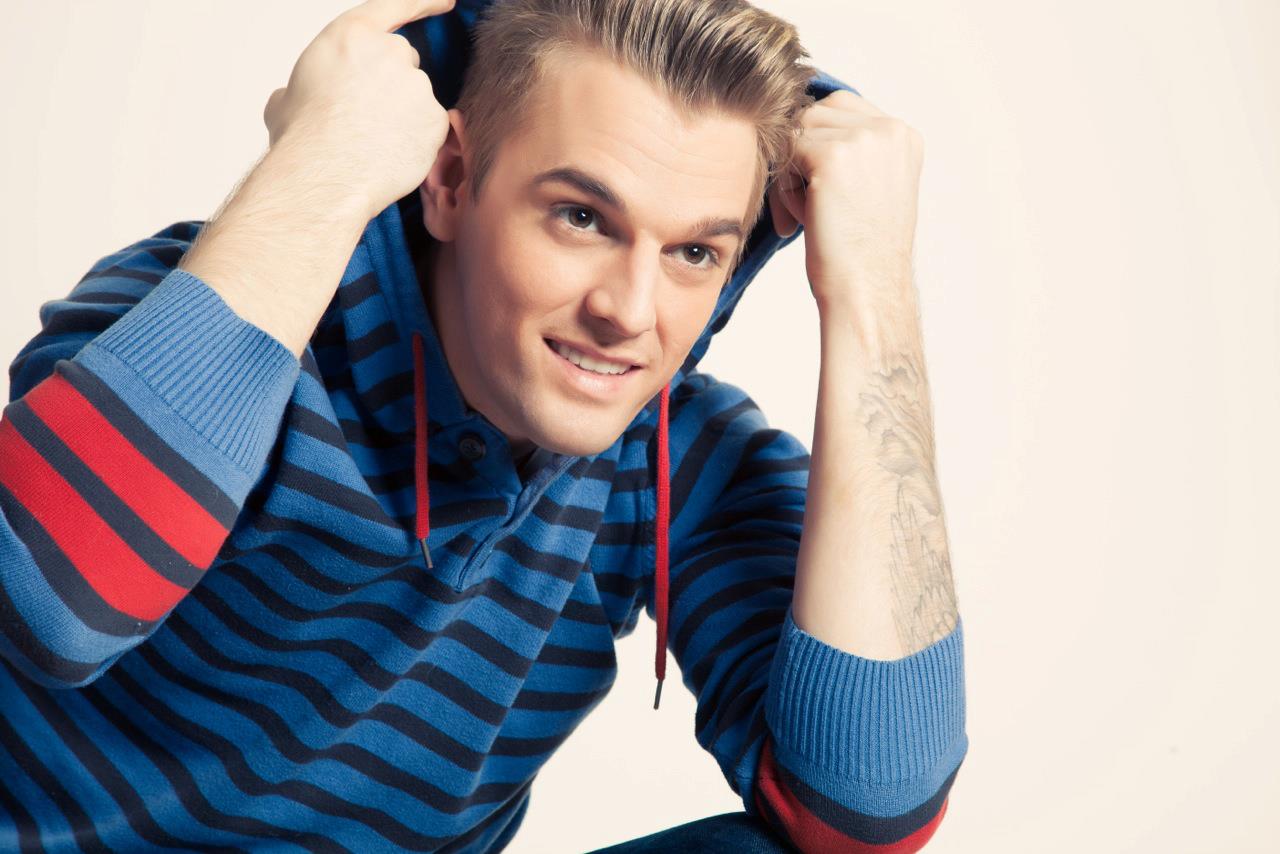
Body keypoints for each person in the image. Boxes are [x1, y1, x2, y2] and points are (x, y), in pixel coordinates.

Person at [0, 0, 968, 850]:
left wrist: (871, 286)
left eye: (693, 252)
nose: (629, 312)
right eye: (581, 217)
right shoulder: (208, 305)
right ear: (453, 176)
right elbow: (49, 608)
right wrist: (319, 165)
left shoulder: (675, 456)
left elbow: (864, 816)